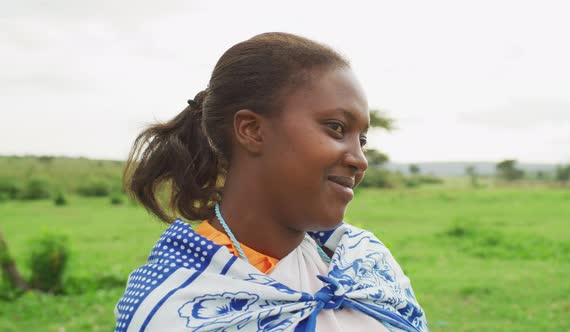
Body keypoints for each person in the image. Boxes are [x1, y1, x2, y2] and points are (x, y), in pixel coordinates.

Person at [115, 32, 428, 332]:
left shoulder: (365, 263)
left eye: (362, 140)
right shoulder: (173, 307)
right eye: (336, 128)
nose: (360, 159)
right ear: (252, 130)